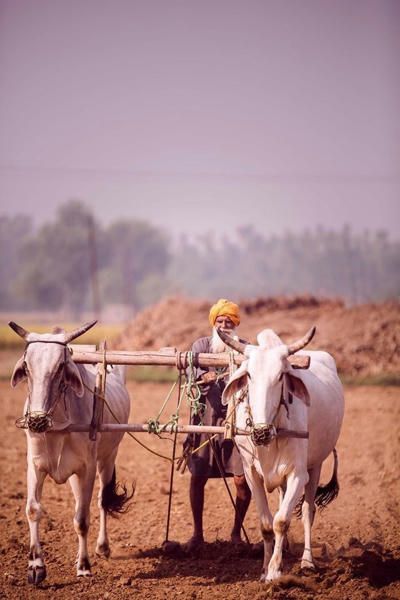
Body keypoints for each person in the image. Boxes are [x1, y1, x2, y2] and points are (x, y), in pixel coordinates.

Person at [182, 298, 251, 552]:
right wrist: (202, 377)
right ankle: (197, 534)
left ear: (236, 324)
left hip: (237, 423)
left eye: (229, 321)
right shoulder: (201, 346)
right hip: (205, 420)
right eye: (220, 321)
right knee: (197, 476)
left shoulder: (245, 348)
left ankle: (236, 533)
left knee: (243, 481)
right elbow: (190, 368)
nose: (224, 325)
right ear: (213, 323)